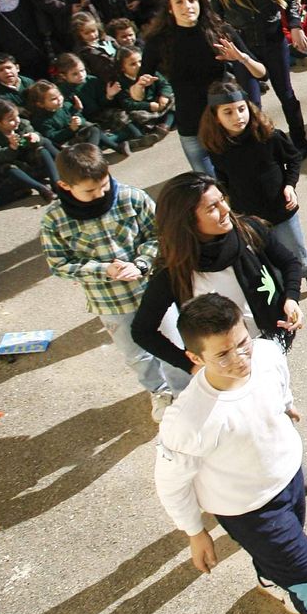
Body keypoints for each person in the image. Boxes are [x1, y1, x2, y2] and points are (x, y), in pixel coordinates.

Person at [154, 294, 307, 614]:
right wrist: (195, 532)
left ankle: (270, 578)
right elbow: (170, 483)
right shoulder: (187, 420)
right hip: (251, 512)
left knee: (286, 564)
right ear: (195, 358)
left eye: (243, 344)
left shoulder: (268, 353)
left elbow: (279, 379)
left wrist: (285, 405)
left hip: (290, 480)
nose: (240, 358)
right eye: (223, 354)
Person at [40, 143, 184, 420]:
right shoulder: (54, 219)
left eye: (104, 186)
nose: (101, 194)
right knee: (136, 354)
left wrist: (141, 263)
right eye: (90, 191)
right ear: (65, 186)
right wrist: (102, 269)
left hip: (153, 288)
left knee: (174, 342)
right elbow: (59, 265)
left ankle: (186, 390)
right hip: (110, 302)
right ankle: (160, 392)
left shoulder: (132, 197)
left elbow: (161, 236)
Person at [131, 172, 304, 377]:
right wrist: (190, 365)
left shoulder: (249, 230)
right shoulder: (172, 272)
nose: (226, 209)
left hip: (268, 342)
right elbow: (142, 331)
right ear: (187, 220)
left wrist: (291, 298)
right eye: (213, 207)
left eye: (222, 200)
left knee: (277, 389)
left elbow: (289, 262)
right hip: (226, 367)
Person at [198, 81, 307, 293]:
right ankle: (283, 288)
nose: (238, 117)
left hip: (280, 207)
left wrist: (290, 186)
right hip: (249, 215)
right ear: (215, 116)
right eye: (228, 112)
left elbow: (293, 159)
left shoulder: (268, 135)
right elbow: (223, 177)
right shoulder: (216, 146)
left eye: (241, 108)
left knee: (295, 250)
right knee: (269, 257)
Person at [141, 0, 267, 175]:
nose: (187, 6)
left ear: (200, 3)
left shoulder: (220, 32)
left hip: (227, 120)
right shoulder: (158, 41)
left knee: (243, 178)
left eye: (192, 0)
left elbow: (261, 72)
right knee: (209, 185)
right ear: (170, 9)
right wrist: (140, 87)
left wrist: (242, 59)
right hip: (191, 124)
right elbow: (138, 90)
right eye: (179, 2)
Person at [214, 0, 307, 156]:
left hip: (273, 40)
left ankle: (299, 141)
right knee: (249, 103)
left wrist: (296, 26)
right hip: (241, 47)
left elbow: (289, 2)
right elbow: (215, 16)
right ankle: (260, 151)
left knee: (286, 94)